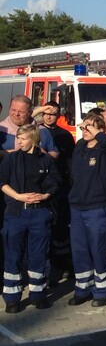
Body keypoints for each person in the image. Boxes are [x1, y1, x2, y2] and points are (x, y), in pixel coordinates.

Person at [0, 125, 60, 313]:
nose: (19, 142)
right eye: (18, 138)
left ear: (34, 140)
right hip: (16, 213)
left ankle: (38, 294)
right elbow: (2, 181)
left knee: (39, 255)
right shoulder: (11, 158)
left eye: (23, 139)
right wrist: (18, 197)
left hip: (39, 213)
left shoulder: (46, 160)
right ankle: (12, 298)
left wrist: (45, 196)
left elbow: (56, 182)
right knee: (13, 255)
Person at [67, 110, 106, 307]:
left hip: (97, 207)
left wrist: (99, 127)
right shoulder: (80, 146)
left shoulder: (105, 149)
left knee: (98, 248)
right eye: (83, 125)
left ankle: (102, 290)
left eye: (89, 126)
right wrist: (87, 126)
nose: (84, 129)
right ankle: (82, 288)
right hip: (77, 206)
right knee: (79, 249)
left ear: (100, 130)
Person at [37, 101, 76, 283]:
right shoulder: (35, 132)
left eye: (53, 114)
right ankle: (49, 267)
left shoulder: (65, 135)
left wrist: (70, 184)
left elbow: (69, 161)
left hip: (60, 184)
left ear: (58, 116)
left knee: (61, 226)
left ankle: (64, 265)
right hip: (41, 186)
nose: (49, 116)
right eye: (46, 113)